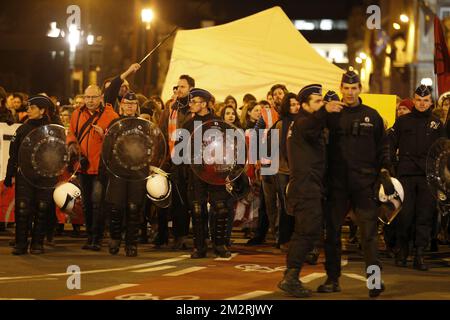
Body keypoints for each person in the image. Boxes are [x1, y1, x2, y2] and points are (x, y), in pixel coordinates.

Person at [318, 71, 392, 298]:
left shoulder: (372, 115)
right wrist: (323, 110)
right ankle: (332, 280)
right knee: (331, 234)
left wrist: (385, 170)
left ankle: (374, 282)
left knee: (369, 236)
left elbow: (383, 147)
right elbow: (313, 135)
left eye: (354, 88)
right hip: (337, 184)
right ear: (341, 88)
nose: (350, 92)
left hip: (364, 183)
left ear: (360, 89)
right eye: (346, 88)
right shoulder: (332, 116)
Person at [278, 84, 342, 297]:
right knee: (307, 232)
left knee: (307, 231)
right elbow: (313, 124)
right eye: (317, 101)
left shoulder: (307, 123)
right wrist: (326, 110)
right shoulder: (303, 122)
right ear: (304, 105)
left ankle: (291, 275)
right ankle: (291, 277)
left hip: (309, 186)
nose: (321, 104)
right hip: (305, 188)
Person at [390, 85, 446, 270]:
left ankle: (419, 254)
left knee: (424, 216)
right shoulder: (402, 121)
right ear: (413, 100)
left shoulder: (437, 124)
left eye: (426, 100)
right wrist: (391, 169)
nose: (422, 104)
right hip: (405, 175)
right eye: (419, 100)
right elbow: (390, 146)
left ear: (431, 102)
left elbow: (443, 151)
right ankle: (402, 251)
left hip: (427, 177)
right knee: (404, 215)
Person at [180, 88, 234, 258]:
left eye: (194, 101)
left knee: (221, 208)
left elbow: (231, 146)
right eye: (190, 102)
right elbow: (180, 151)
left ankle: (220, 245)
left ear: (203, 103)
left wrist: (229, 170)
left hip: (216, 172)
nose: (191, 105)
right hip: (196, 173)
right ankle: (199, 246)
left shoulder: (218, 123)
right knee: (197, 209)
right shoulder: (188, 125)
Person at [67, 85, 119, 251]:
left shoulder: (111, 115)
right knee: (87, 203)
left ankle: (97, 238)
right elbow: (71, 133)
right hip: (83, 165)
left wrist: (104, 135)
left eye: (93, 97)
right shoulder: (77, 113)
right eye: (87, 97)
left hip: (100, 167)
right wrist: (71, 144)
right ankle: (90, 235)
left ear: (101, 97)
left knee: (98, 202)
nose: (89, 100)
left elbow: (118, 139)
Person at [4, 95, 55, 254]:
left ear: (42, 110)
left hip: (45, 176)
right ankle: (21, 243)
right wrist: (9, 175)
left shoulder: (52, 129)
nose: (29, 110)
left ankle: (37, 244)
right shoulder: (22, 128)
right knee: (22, 208)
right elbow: (13, 154)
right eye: (29, 107)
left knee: (42, 208)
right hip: (25, 175)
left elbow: (59, 153)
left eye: (33, 108)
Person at [101, 92, 147, 257]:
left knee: (134, 208)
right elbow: (107, 148)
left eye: (133, 103)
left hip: (137, 172)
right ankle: (114, 239)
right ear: (121, 105)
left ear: (137, 106)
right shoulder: (115, 124)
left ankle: (131, 243)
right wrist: (104, 170)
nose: (130, 106)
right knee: (116, 208)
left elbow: (150, 148)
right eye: (127, 103)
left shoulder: (144, 124)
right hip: (118, 172)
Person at [159, 74, 196, 250]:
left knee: (194, 201)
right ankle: (179, 236)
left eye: (183, 87)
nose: (179, 89)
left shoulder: (195, 109)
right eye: (178, 86)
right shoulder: (169, 110)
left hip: (193, 163)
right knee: (177, 201)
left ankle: (198, 237)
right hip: (174, 161)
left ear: (191, 89)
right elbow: (161, 136)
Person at [271, 93, 300, 251]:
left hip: (299, 170)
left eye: (297, 103)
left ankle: (295, 239)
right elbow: (277, 149)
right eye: (292, 104)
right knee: (285, 206)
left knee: (298, 206)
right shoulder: (281, 124)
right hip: (283, 170)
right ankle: (283, 239)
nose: (296, 107)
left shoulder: (304, 122)